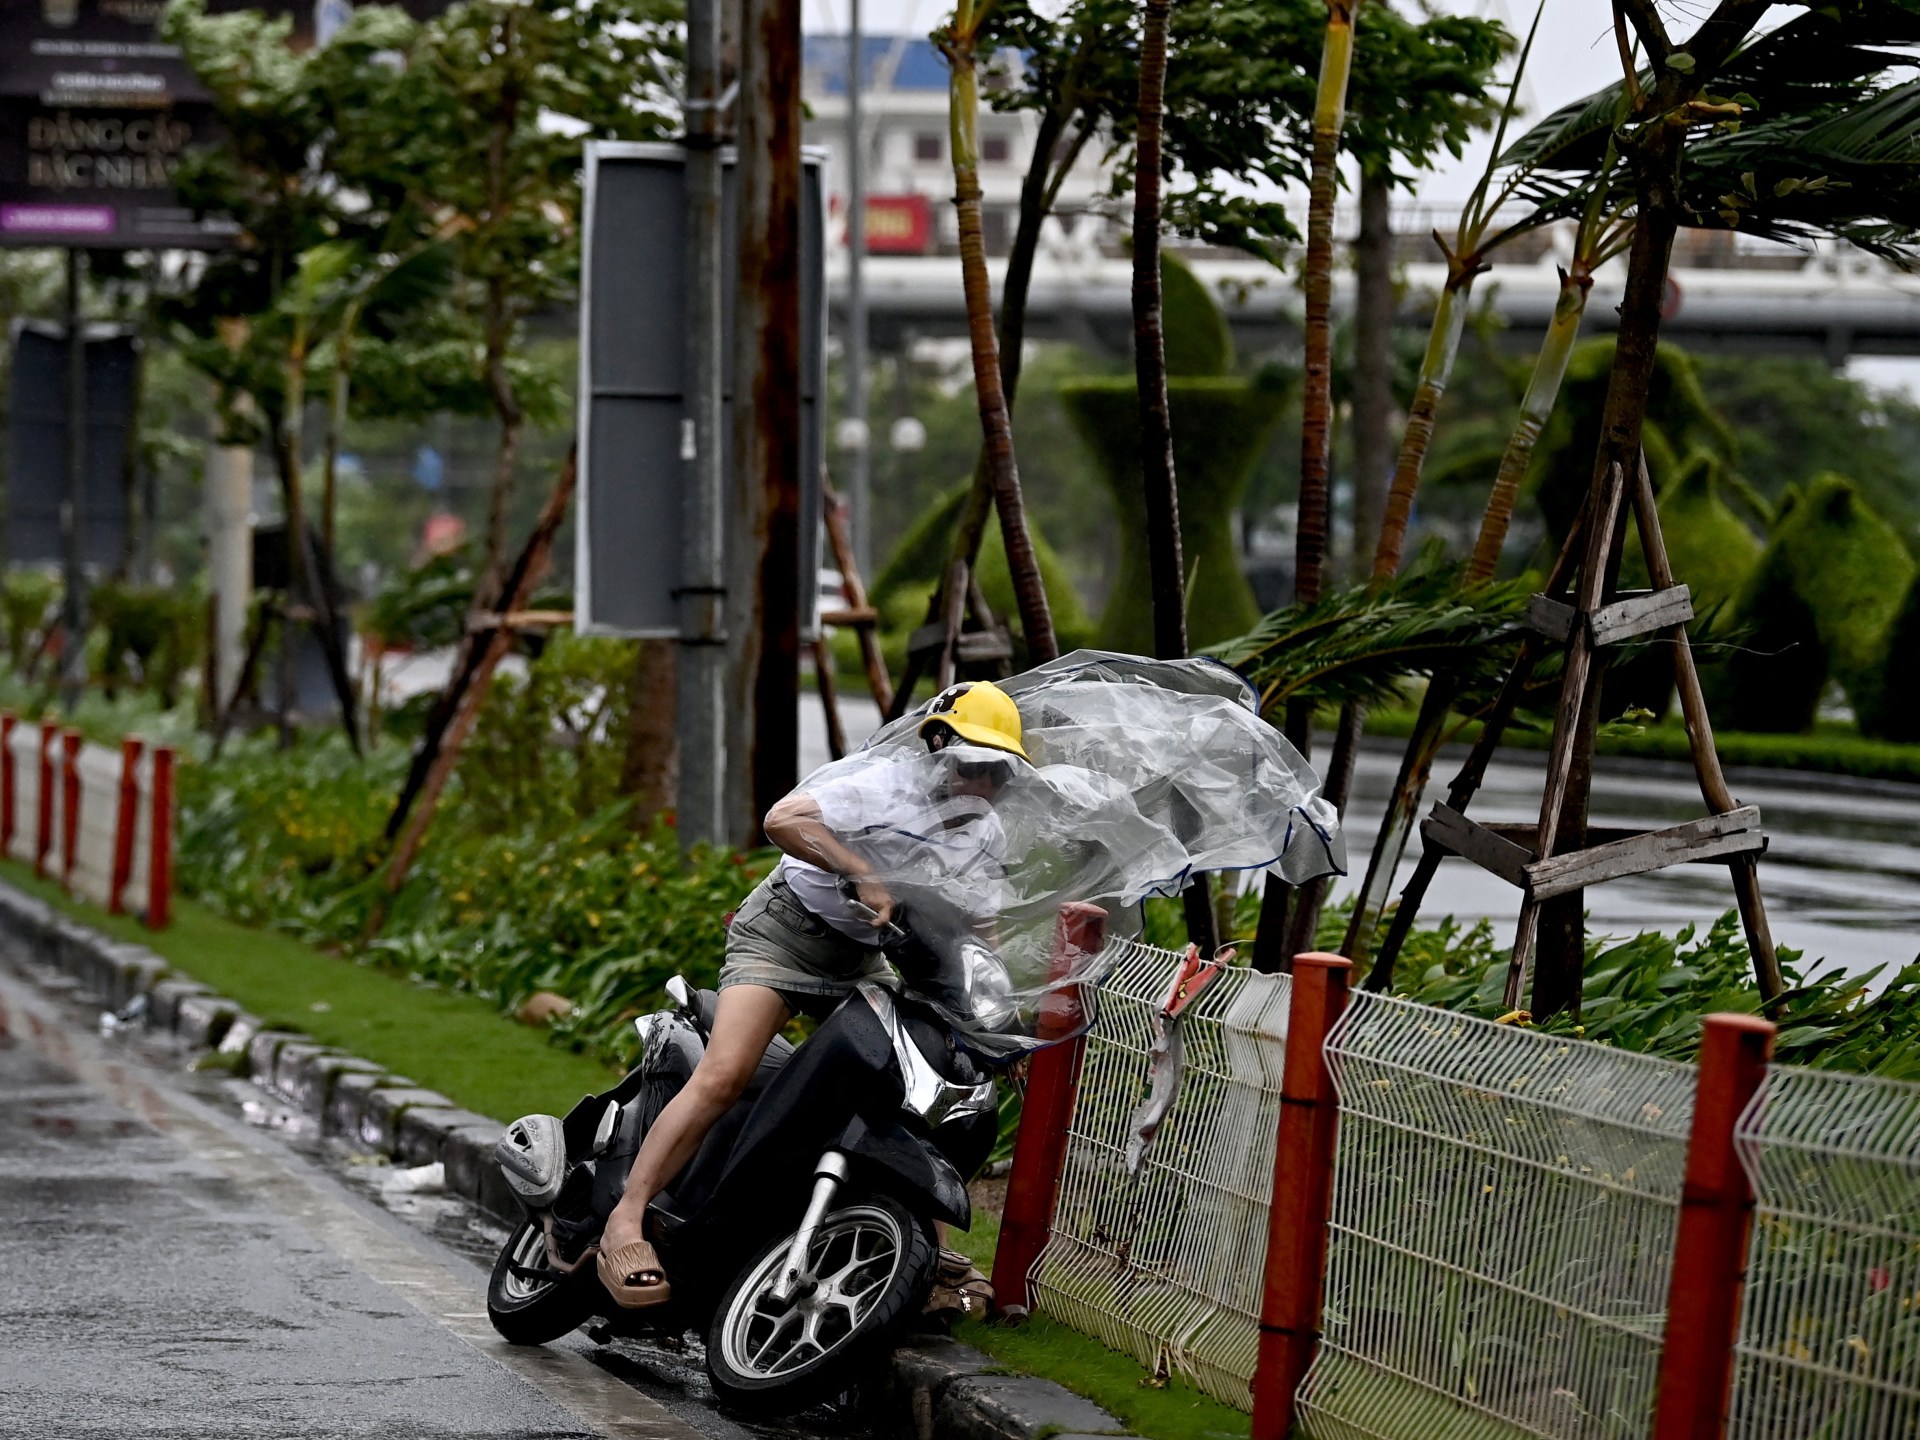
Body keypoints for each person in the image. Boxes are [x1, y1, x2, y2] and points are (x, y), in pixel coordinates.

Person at [595, 681, 1029, 1310]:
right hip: (786, 933)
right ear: (937, 744)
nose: (985, 785)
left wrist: (1000, 1019)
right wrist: (860, 872)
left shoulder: (980, 830)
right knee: (724, 1074)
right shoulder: (880, 782)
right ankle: (625, 1220)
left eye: (999, 773)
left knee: (916, 1092)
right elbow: (783, 819)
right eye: (974, 765)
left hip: (867, 958)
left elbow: (981, 928)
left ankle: (926, 1257)